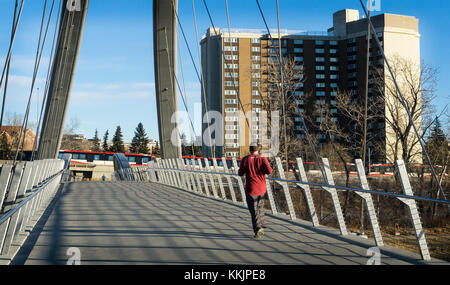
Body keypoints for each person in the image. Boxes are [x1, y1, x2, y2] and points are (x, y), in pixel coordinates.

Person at [238, 145, 273, 239]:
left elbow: (240, 173)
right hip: (261, 188)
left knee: (253, 210)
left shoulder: (246, 159)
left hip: (251, 188)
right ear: (258, 150)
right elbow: (269, 171)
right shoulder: (262, 159)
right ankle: (262, 222)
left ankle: (258, 229)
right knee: (260, 206)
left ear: (249, 150)